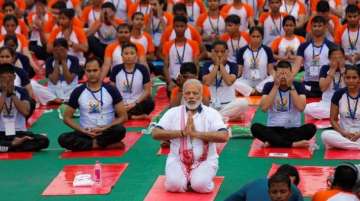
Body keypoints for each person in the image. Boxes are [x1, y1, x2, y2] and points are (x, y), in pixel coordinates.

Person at [152, 78, 229, 193]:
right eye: (188, 93)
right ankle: (186, 179)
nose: (191, 96)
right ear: (183, 95)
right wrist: (182, 133)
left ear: (201, 95)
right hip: (177, 159)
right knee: (173, 185)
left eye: (195, 93)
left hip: (205, 160)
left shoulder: (211, 113)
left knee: (200, 185)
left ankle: (193, 179)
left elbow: (224, 136)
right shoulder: (173, 112)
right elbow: (155, 133)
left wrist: (196, 134)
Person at [58, 57, 128, 151]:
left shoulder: (111, 90)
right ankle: (102, 145)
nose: (92, 74)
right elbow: (66, 117)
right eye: (89, 71)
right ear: (85, 71)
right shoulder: (78, 91)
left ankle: (91, 145)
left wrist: (105, 128)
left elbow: (123, 116)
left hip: (105, 131)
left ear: (101, 70)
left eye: (95, 70)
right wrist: (82, 130)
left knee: (120, 130)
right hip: (86, 132)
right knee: (63, 138)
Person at [251, 60, 317, 148]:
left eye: (286, 74)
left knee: (311, 128)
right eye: (280, 74)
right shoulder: (269, 86)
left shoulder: (298, 86)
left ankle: (274, 142)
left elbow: (301, 107)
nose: (283, 77)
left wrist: (291, 87)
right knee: (255, 128)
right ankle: (291, 144)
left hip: (293, 129)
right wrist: (275, 86)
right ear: (275, 74)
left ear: (291, 74)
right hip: (273, 128)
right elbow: (264, 108)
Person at [0, 63, 49, 152]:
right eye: (3, 78)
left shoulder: (22, 92)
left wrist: (12, 94)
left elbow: (25, 112)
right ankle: (12, 145)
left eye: (9, 78)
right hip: (1, 133)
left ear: (14, 77)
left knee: (43, 141)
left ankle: (7, 147)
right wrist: (3, 93)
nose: (7, 80)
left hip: (19, 132)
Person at [202, 40, 248, 121]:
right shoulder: (207, 65)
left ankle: (216, 117)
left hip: (228, 105)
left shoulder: (233, 65)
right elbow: (207, 82)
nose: (219, 54)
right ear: (212, 52)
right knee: (200, 106)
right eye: (216, 52)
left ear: (227, 52)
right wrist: (216, 65)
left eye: (222, 52)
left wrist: (221, 65)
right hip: (211, 105)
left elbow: (229, 82)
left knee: (243, 103)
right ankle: (225, 118)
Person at [294, 15, 337, 98]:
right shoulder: (303, 46)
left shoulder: (332, 46)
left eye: (320, 26)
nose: (317, 28)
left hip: (326, 85)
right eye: (315, 26)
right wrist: (289, 78)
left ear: (325, 27)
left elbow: (335, 67)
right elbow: (296, 66)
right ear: (311, 28)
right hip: (308, 85)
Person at [110, 43, 155, 120]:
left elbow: (147, 91)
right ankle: (134, 117)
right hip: (120, 103)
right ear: (122, 55)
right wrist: (120, 104)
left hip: (137, 102)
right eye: (126, 53)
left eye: (132, 53)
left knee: (150, 103)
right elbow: (112, 90)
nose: (129, 56)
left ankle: (125, 116)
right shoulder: (116, 69)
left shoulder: (142, 69)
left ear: (136, 55)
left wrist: (134, 103)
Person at [321, 66, 360, 150]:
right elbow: (333, 120)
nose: (351, 81)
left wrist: (359, 134)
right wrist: (344, 133)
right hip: (344, 135)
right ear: (344, 78)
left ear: (359, 79)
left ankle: (349, 145)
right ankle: (356, 146)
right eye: (348, 78)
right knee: (325, 135)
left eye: (354, 78)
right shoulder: (338, 94)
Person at [304, 47, 346, 119]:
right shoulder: (325, 68)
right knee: (306, 108)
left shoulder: (348, 69)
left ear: (344, 58)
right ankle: (337, 116)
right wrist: (332, 70)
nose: (337, 60)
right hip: (326, 103)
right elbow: (322, 88)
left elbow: (350, 88)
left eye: (340, 57)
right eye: (334, 58)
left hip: (344, 103)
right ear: (329, 59)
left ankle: (337, 115)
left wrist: (342, 71)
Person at [162, 15, 200, 93]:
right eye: (177, 26)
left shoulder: (194, 44)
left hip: (189, 79)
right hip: (173, 80)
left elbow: (196, 65)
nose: (179, 29)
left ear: (186, 27)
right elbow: (165, 66)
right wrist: (170, 82)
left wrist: (194, 80)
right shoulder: (167, 44)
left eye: (182, 26)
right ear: (173, 27)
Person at [224, 164, 303, 201]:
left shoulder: (256, 182)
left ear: (290, 193)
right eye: (275, 192)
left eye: (283, 191)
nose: (279, 196)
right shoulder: (255, 185)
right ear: (269, 193)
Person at [234, 26, 275, 97]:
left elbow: (270, 70)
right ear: (249, 37)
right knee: (233, 82)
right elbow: (239, 71)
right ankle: (255, 91)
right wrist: (233, 77)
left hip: (262, 81)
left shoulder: (267, 50)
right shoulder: (242, 50)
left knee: (273, 78)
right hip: (247, 81)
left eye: (258, 36)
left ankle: (253, 90)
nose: (256, 39)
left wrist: (275, 76)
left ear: (262, 37)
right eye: (253, 36)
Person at [45, 38, 81, 102]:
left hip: (70, 90)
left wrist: (63, 60)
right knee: (33, 84)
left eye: (61, 50)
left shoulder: (74, 60)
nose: (58, 52)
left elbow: (69, 80)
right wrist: (56, 61)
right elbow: (54, 81)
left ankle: (62, 99)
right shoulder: (49, 61)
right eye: (56, 50)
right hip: (54, 91)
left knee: (82, 88)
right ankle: (57, 99)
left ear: (67, 49)